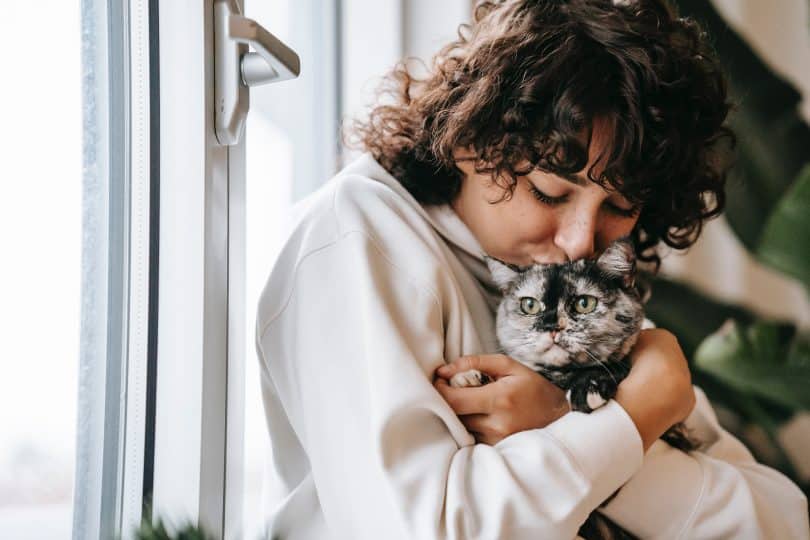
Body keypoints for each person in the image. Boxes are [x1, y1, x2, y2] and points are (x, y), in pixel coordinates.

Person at [254, 0, 809, 538]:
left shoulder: (579, 293)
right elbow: (429, 529)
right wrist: (629, 421)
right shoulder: (358, 239)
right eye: (549, 193)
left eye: (619, 207)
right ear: (471, 141)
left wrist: (565, 422)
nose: (580, 242)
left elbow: (780, 525)